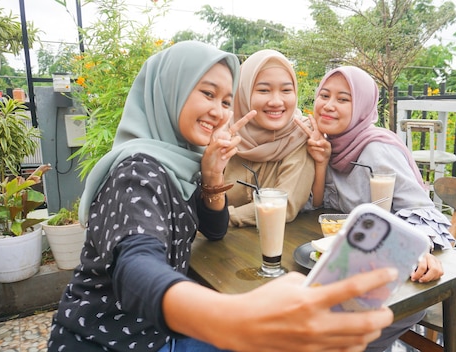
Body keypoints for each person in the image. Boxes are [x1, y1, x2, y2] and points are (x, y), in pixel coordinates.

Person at [47, 42, 398, 352]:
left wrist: (212, 178)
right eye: (207, 93)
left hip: (152, 331)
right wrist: (232, 318)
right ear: (170, 91)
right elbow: (134, 267)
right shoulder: (138, 171)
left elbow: (213, 231)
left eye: (226, 100)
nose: (218, 110)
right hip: (113, 340)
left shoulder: (178, 162)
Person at [296, 65, 455, 351]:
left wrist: (421, 251)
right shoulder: (329, 144)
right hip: (351, 272)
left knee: (326, 336)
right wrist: (321, 162)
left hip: (397, 288)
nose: (329, 106)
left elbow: (424, 211)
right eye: (324, 95)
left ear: (362, 107)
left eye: (343, 99)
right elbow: (321, 210)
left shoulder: (376, 150)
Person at [224, 49, 314, 227]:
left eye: (286, 90)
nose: (276, 101)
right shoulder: (225, 132)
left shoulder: (299, 135)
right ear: (243, 92)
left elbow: (284, 205)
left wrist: (219, 220)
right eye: (264, 90)